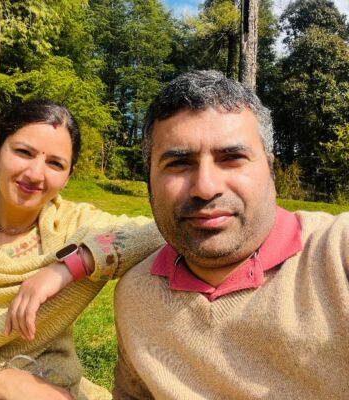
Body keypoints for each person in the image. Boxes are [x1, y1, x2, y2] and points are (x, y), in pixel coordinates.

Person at [112, 71, 349, 399]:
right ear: (149, 180)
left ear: (270, 169)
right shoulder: (135, 296)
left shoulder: (337, 253)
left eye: (232, 158)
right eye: (179, 163)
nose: (205, 187)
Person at [0, 100, 163, 400]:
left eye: (55, 164)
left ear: (68, 175)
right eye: (24, 152)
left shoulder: (73, 227)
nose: (35, 174)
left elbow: (161, 232)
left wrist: (70, 265)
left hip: (57, 386)